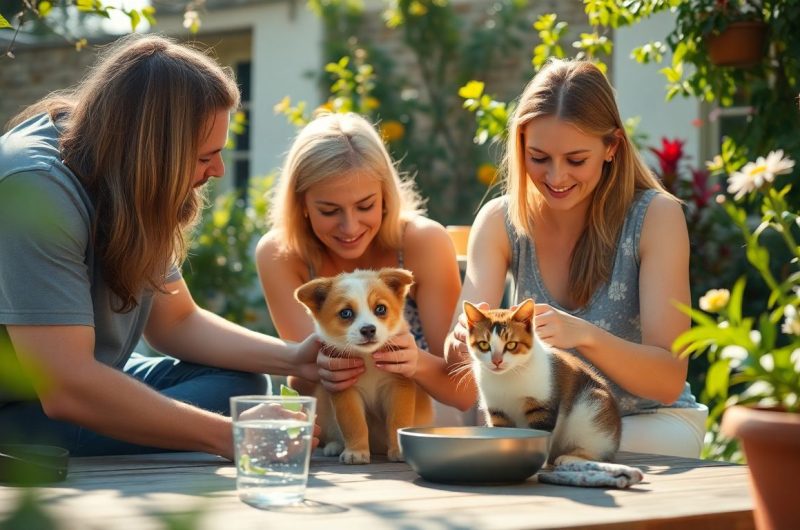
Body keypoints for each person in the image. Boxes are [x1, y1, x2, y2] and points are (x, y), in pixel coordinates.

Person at [0, 34, 320, 459]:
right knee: (230, 413)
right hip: (26, 404)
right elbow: (65, 387)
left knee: (239, 385)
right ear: (157, 150)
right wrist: (232, 436)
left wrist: (297, 358)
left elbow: (176, 321)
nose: (219, 170)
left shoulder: (124, 168)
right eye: (206, 156)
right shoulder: (36, 189)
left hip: (83, 377)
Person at [445, 59, 707, 458]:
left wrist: (582, 334)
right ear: (520, 147)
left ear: (612, 147)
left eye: (575, 160)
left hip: (650, 422)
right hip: (543, 422)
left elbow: (668, 380)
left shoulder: (656, 216)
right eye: (538, 157)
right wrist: (462, 339)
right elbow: (456, 350)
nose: (556, 177)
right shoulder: (499, 220)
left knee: (548, 450)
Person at [256, 112, 467, 423]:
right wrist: (317, 367)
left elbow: (462, 392)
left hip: (422, 426)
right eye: (329, 210)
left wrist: (414, 361)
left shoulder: (423, 242)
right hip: (341, 438)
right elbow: (303, 379)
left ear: (385, 197)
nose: (349, 226)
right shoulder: (280, 254)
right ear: (301, 205)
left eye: (365, 206)